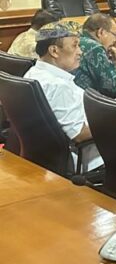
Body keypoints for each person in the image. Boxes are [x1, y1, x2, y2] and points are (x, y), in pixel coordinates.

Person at [23, 22, 102, 171]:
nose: (80, 52)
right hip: (92, 158)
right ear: (54, 51)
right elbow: (79, 134)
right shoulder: (58, 86)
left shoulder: (32, 73)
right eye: (74, 46)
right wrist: (115, 123)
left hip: (44, 158)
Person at [73, 13, 116, 98]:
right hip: (84, 101)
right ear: (101, 32)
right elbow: (112, 86)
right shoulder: (95, 48)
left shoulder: (78, 39)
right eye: (114, 35)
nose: (115, 39)